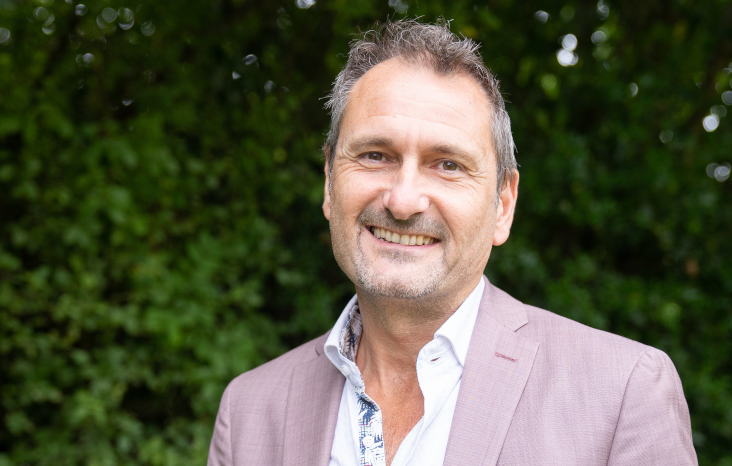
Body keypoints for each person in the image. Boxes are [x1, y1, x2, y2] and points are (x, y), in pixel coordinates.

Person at [208, 19, 697, 466]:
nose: (403, 201)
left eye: (448, 164)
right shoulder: (249, 410)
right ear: (329, 184)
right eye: (375, 154)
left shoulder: (622, 393)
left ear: (503, 205)